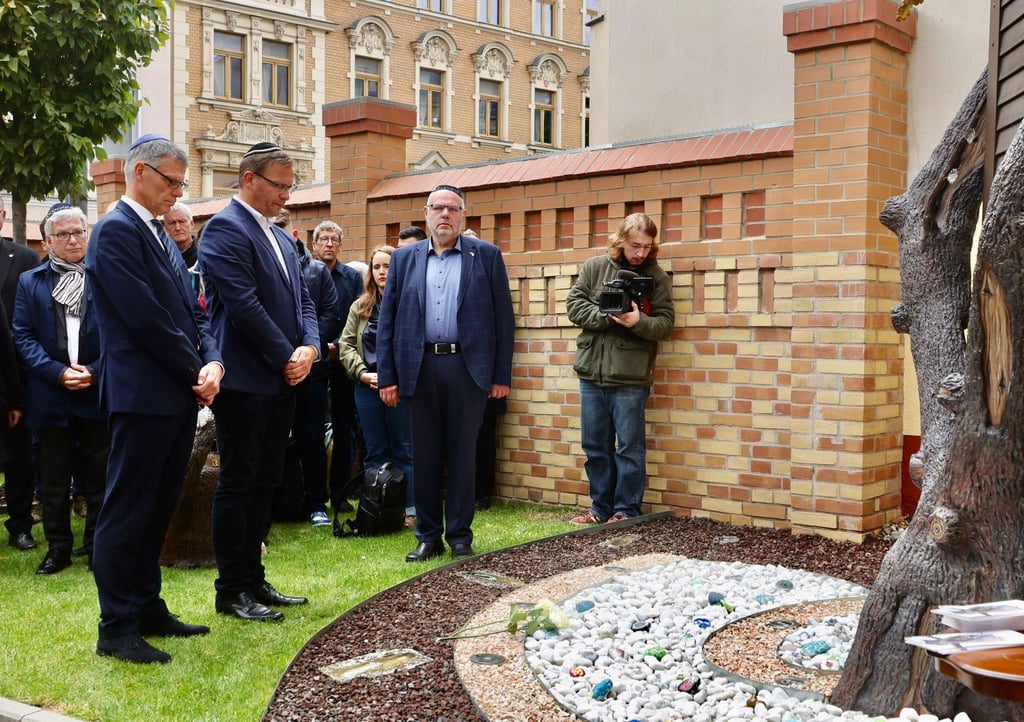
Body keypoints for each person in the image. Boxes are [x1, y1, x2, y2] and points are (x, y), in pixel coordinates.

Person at [86, 134, 224, 664]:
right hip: (143, 394)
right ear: (138, 172)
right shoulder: (116, 232)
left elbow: (193, 311)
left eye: (181, 184)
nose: (177, 192)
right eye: (170, 180)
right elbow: (145, 319)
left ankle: (146, 607)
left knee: (156, 509)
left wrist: (211, 360)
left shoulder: (161, 234)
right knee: (128, 511)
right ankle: (115, 626)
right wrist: (196, 371)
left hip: (173, 393)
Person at [199, 142, 318, 622]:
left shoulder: (283, 237)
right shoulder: (224, 230)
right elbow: (243, 305)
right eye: (280, 185)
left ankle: (254, 578)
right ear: (249, 179)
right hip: (247, 380)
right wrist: (285, 354)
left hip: (283, 377)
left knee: (268, 479)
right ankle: (231, 589)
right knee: (239, 481)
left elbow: (303, 300)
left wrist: (309, 348)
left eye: (291, 186)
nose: (286, 195)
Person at [377, 184, 515, 561]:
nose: (444, 215)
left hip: (467, 369)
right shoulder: (404, 260)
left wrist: (500, 375)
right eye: (437, 208)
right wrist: (387, 375)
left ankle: (459, 538)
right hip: (418, 367)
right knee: (423, 455)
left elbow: (504, 320)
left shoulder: (486, 256)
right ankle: (427, 535)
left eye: (452, 209)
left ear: (463, 216)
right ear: (425, 214)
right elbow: (387, 320)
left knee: (462, 455)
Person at [13, 204, 109, 576]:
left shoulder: (105, 278)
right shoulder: (31, 281)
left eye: (79, 232)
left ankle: (97, 545)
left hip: (96, 391)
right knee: (53, 479)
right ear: (48, 240)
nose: (73, 240)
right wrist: (56, 373)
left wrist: (96, 372)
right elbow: (22, 335)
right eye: (64, 234)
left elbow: (121, 334)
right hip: (52, 394)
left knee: (100, 476)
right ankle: (58, 548)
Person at [565, 212, 674, 524]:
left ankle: (626, 510)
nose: (640, 253)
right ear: (621, 241)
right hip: (591, 372)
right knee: (595, 446)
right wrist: (607, 315)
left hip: (630, 376)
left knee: (628, 449)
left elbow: (665, 324)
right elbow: (574, 305)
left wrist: (638, 321)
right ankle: (600, 509)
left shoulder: (656, 277)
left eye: (647, 246)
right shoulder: (595, 267)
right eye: (635, 245)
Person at [338, 245, 415, 526]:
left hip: (399, 388)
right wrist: (361, 373)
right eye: (378, 267)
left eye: (388, 266)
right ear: (371, 272)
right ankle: (375, 507)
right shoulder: (360, 306)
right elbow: (345, 344)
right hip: (366, 387)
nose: (383, 272)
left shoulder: (410, 303)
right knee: (375, 450)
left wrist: (395, 377)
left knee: (403, 448)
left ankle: (408, 509)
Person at [275, 211, 340, 526]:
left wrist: (308, 351)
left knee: (312, 437)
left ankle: (317, 504)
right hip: (274, 370)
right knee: (272, 440)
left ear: (295, 234)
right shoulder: (263, 266)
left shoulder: (316, 271)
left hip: (312, 372)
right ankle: (276, 505)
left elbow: (329, 312)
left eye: (280, 229)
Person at [0, 195, 42, 552]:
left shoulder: (25, 258)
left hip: (16, 373)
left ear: (2, 217)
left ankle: (20, 526)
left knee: (18, 457)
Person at [313, 221, 363, 512]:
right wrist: (324, 346)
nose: (329, 244)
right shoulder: (307, 272)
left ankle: (341, 494)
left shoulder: (352, 278)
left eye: (334, 239)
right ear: (315, 244)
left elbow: (354, 316)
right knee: (313, 429)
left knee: (345, 429)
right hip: (317, 358)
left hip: (344, 360)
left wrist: (339, 347)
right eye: (324, 239)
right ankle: (316, 497)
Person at [160, 202, 197, 267]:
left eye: (182, 221)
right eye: (172, 223)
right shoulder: (161, 256)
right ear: (165, 227)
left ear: (192, 224)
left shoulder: (203, 253)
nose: (177, 228)